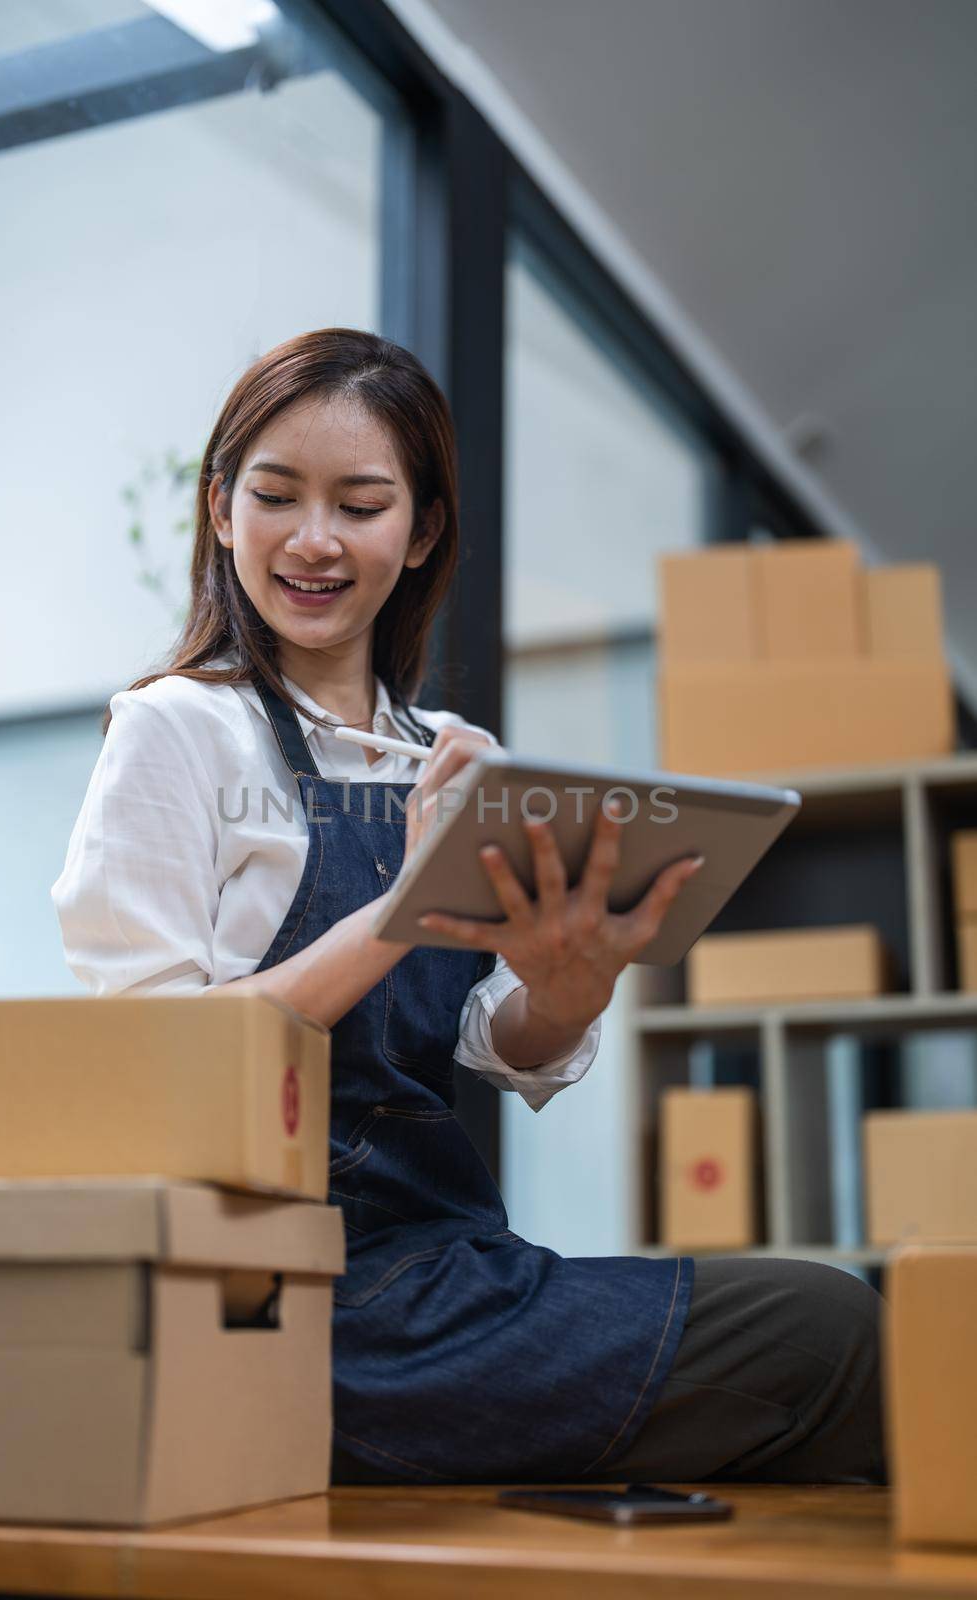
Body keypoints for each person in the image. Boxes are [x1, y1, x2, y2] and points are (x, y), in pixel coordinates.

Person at [52, 326, 886, 1487]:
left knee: (842, 1349)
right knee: (831, 1333)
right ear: (219, 509)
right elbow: (159, 1057)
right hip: (281, 1295)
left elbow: (503, 1046)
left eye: (360, 503)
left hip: (445, 1266)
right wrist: (399, 905)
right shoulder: (177, 727)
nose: (312, 539)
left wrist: (567, 982)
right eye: (276, 494)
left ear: (421, 529)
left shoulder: (452, 758)